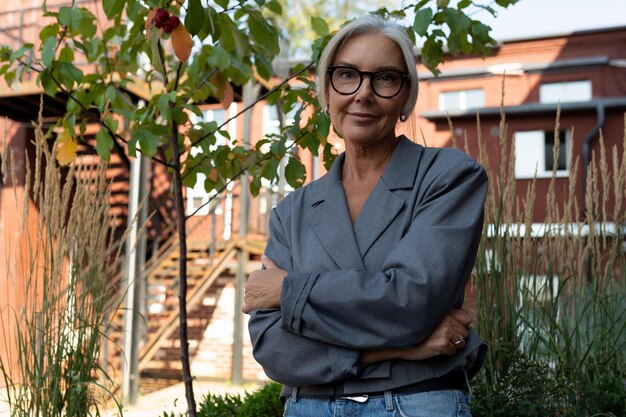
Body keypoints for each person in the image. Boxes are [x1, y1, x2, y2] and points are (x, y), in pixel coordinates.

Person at [243, 14, 488, 417]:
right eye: (347, 75)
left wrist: (287, 290)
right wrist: (400, 347)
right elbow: (274, 348)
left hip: (417, 403)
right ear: (326, 91)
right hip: (310, 407)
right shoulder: (292, 213)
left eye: (386, 78)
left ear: (406, 97)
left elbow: (410, 301)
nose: (363, 94)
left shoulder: (448, 178)